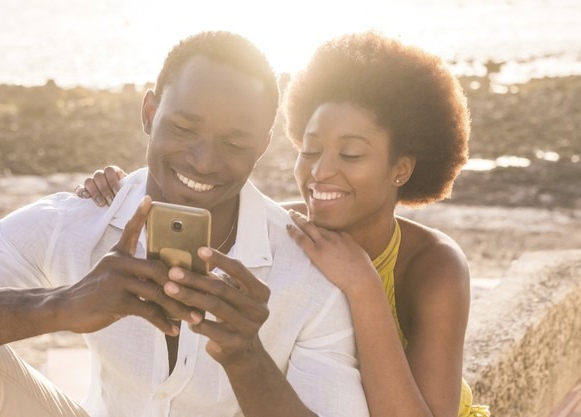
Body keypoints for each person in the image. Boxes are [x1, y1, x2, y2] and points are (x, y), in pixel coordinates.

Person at [80, 31, 490, 416]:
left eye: (350, 155)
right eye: (310, 150)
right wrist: (125, 187)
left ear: (400, 168)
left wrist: (363, 285)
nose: (321, 172)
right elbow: (195, 200)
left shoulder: (434, 266)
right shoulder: (280, 227)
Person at [0, 31, 369, 417]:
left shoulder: (309, 277)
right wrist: (61, 305)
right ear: (149, 113)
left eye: (234, 144)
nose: (204, 161)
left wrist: (247, 358)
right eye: (183, 128)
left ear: (262, 147)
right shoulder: (81, 221)